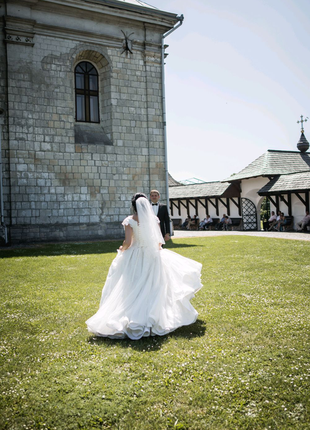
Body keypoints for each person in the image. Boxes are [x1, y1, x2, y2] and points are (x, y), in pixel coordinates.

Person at [86, 193, 202, 340]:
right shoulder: (154, 219)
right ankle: (154, 315)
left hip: (135, 255)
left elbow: (128, 242)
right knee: (154, 286)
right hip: (152, 256)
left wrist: (122, 248)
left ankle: (133, 314)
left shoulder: (130, 220)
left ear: (133, 205)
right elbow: (159, 241)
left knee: (132, 285)